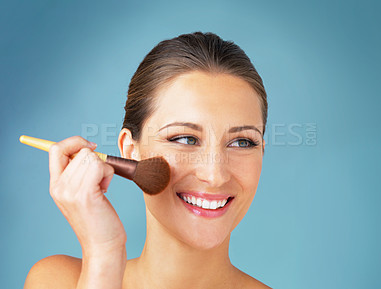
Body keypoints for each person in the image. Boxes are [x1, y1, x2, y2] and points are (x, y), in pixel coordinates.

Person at [24, 32, 271, 289]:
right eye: (185, 139)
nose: (215, 174)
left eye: (242, 142)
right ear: (130, 150)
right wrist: (105, 254)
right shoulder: (56, 281)